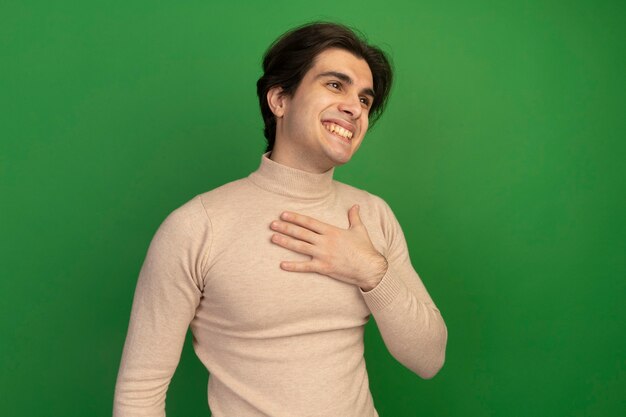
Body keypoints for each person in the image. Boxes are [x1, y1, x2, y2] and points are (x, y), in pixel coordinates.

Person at [114, 22, 447, 417]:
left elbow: (429, 359)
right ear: (279, 100)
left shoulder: (372, 216)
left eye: (364, 99)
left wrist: (371, 271)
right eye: (335, 85)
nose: (354, 108)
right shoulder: (197, 226)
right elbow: (140, 392)